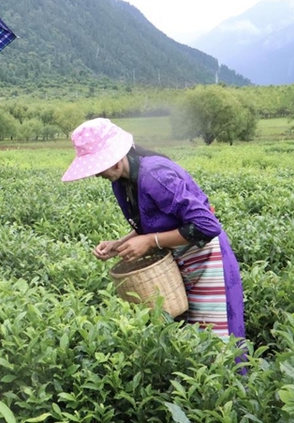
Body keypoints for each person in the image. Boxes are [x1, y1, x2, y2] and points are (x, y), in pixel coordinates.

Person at [62, 118, 245, 341]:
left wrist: (149, 242)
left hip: (208, 261)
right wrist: (117, 245)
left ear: (116, 161)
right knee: (192, 343)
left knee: (219, 344)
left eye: (98, 167)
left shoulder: (155, 175)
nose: (96, 174)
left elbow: (206, 225)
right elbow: (152, 223)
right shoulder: (122, 182)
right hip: (181, 263)